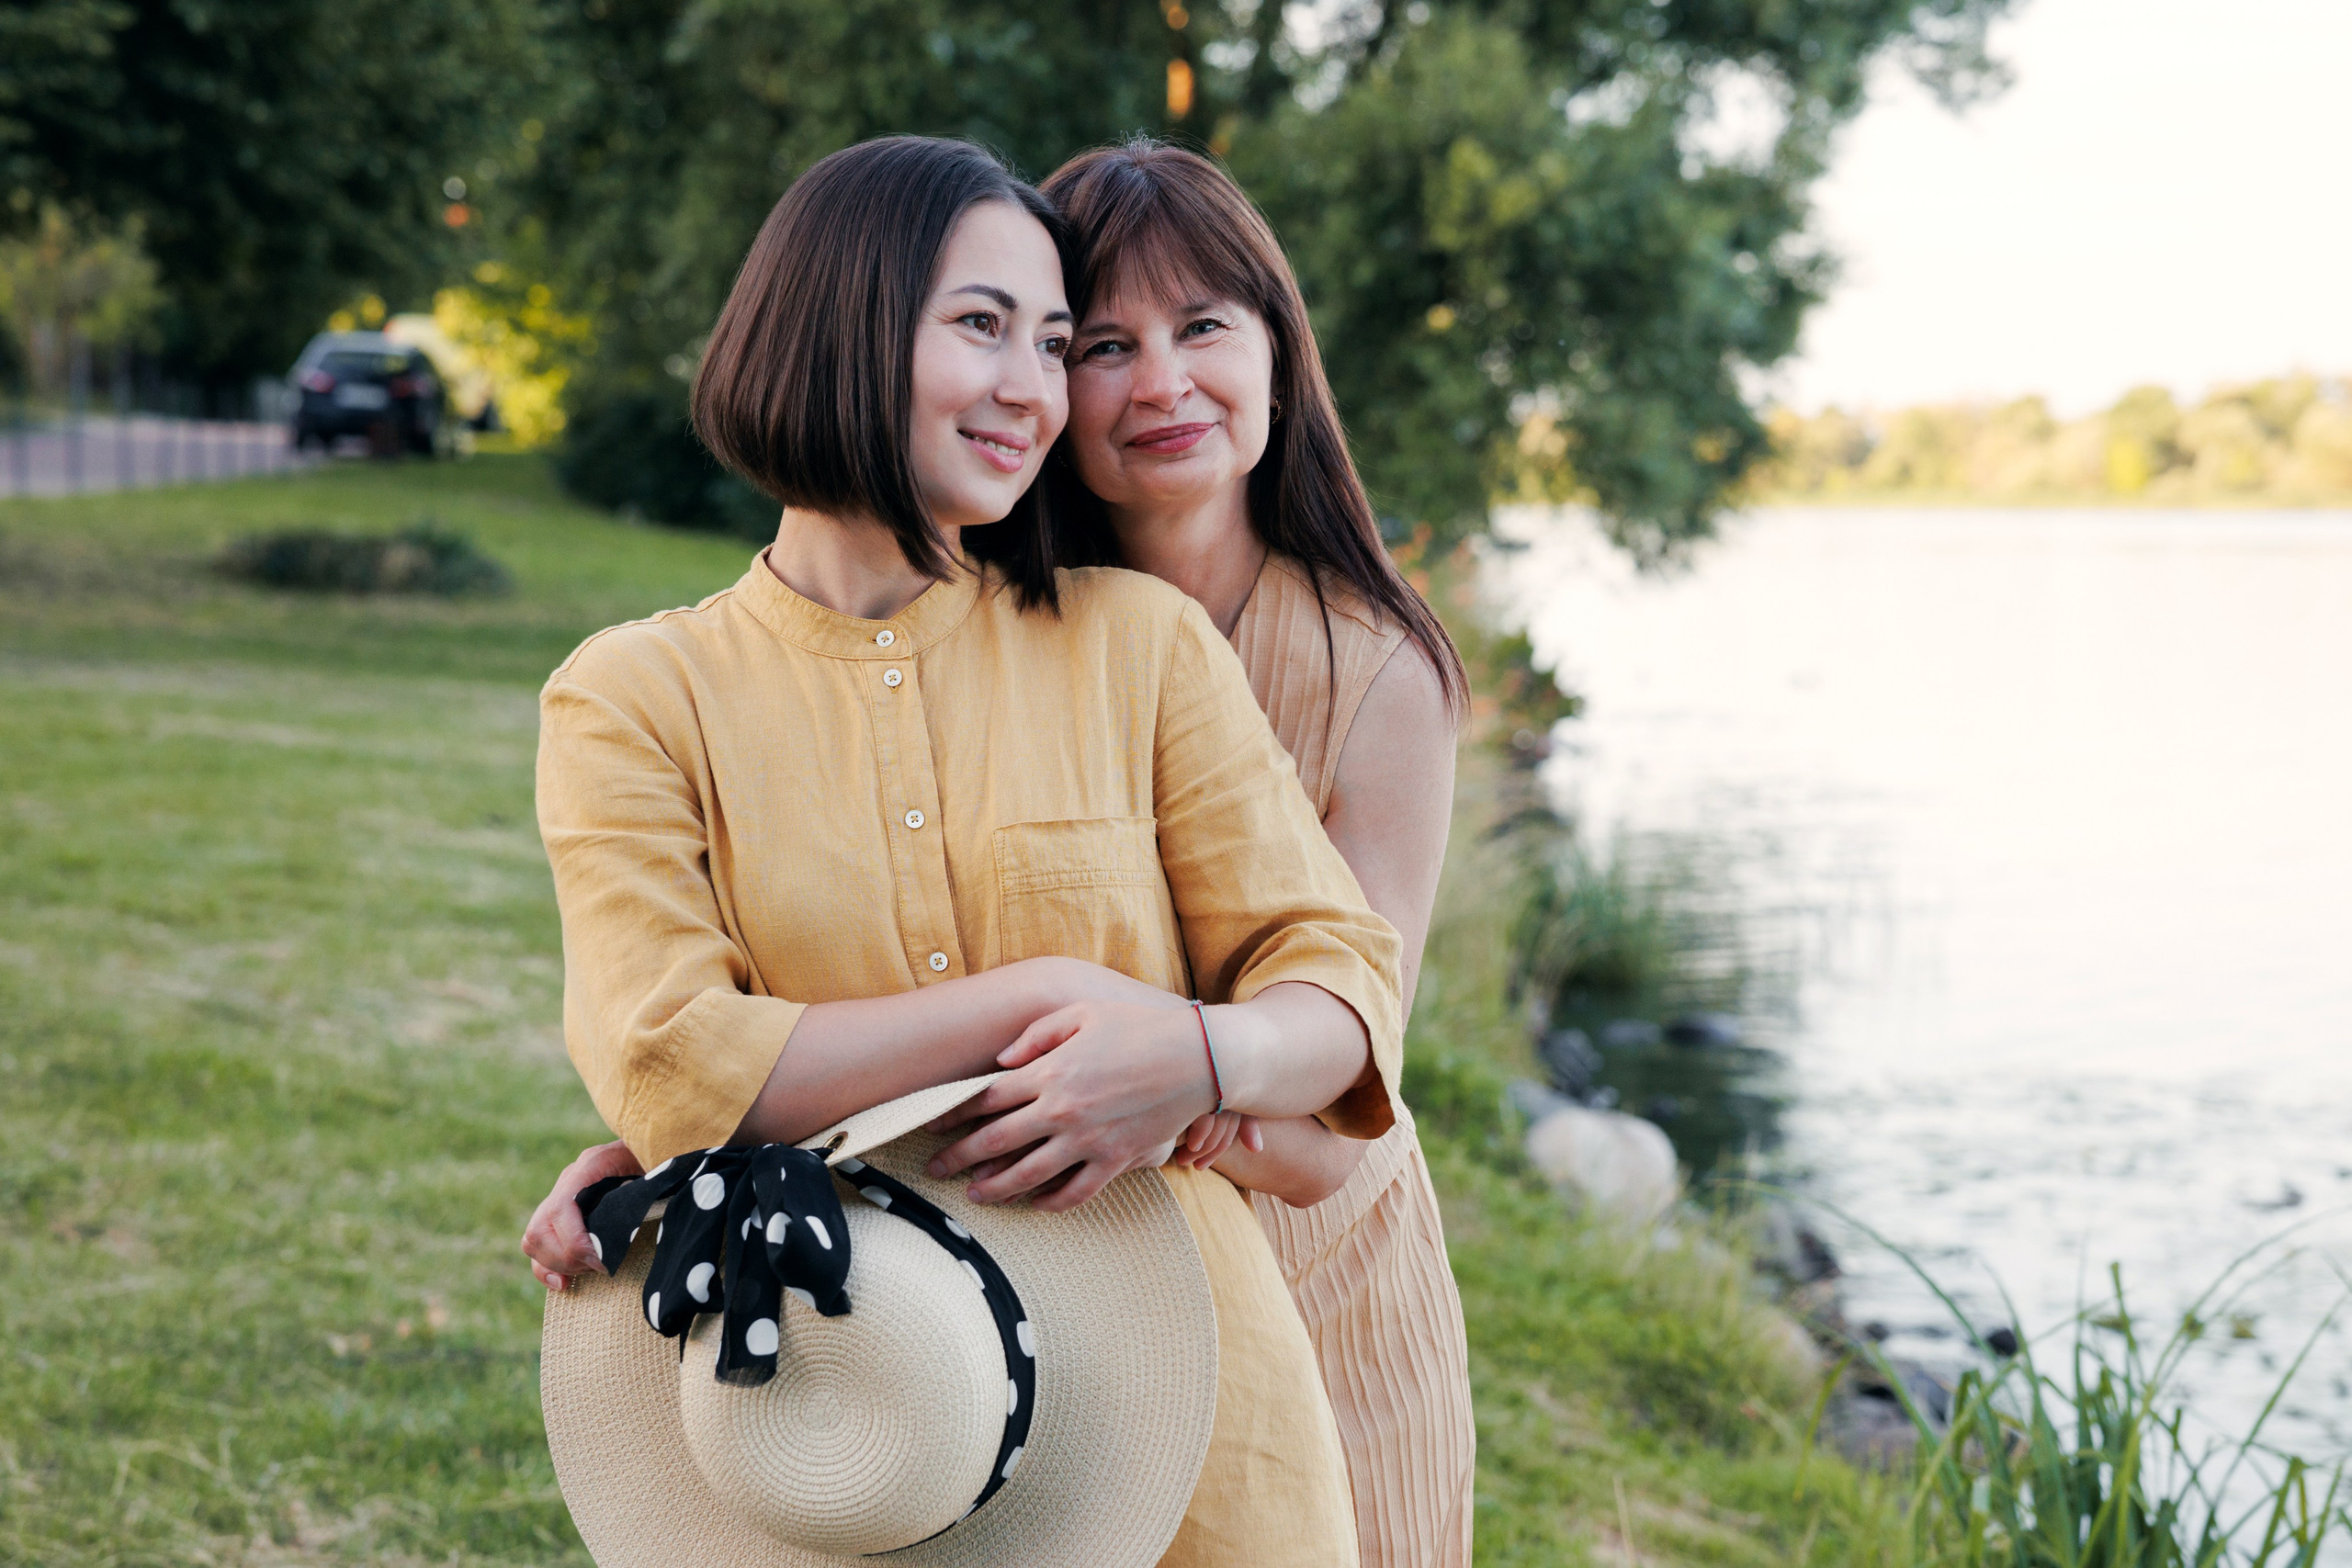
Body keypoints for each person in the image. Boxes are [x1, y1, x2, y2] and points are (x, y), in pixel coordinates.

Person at [530, 134, 1402, 1568]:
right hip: (859, 1419)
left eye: (1054, 344)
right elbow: (679, 1064)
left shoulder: (1141, 648)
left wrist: (1193, 1054)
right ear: (842, 323)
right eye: (982, 327)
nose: (1032, 390)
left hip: (1201, 1428)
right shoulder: (633, 696)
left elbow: (1343, 997)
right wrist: (1042, 1005)